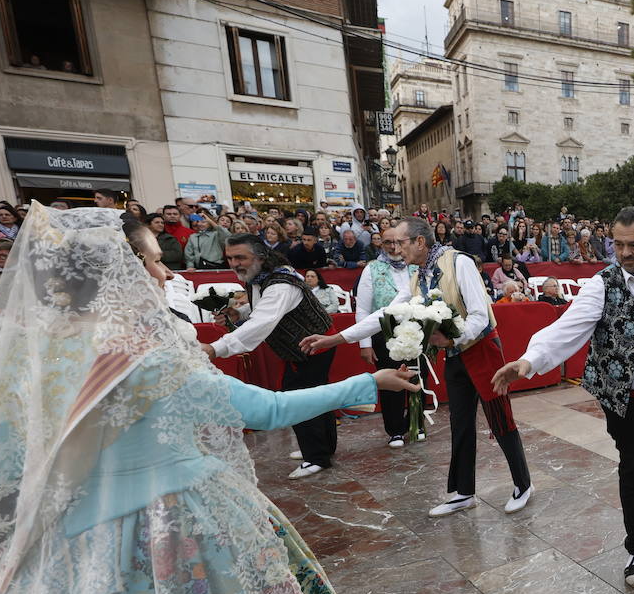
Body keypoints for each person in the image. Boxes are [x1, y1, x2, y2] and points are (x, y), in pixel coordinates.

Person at [0, 204, 420, 594]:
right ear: (123, 272)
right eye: (156, 260)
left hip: (76, 546)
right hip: (181, 533)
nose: (166, 274)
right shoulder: (148, 358)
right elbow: (267, 410)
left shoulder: (28, 356)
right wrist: (366, 382)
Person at [492, 207, 634, 589]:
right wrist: (529, 361)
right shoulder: (604, 285)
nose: (625, 252)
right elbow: (567, 329)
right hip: (633, 403)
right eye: (618, 244)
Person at [303, 219, 534, 516]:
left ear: (420, 242)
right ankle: (463, 492)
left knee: (499, 418)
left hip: (482, 349)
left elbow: (480, 313)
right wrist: (336, 339)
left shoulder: (458, 262)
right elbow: (386, 313)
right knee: (459, 422)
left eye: (401, 242)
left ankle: (523, 484)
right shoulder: (417, 276)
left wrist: (452, 340)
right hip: (454, 355)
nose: (395, 249)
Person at [205, 234, 338, 478]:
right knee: (316, 395)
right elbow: (260, 309)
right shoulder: (262, 277)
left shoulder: (279, 283)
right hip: (305, 345)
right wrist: (238, 313)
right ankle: (322, 448)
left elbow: (263, 321)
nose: (234, 263)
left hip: (313, 345)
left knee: (300, 399)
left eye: (240, 257)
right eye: (230, 258)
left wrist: (216, 348)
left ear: (260, 256)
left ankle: (316, 456)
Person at [350, 221, 416, 448]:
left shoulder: (415, 266)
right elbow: (363, 309)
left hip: (418, 332)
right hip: (385, 334)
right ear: (380, 243)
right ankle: (396, 429)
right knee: (392, 383)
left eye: (398, 241)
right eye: (387, 242)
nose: (393, 247)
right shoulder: (371, 269)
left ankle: (416, 424)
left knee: (418, 377)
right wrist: (364, 344)